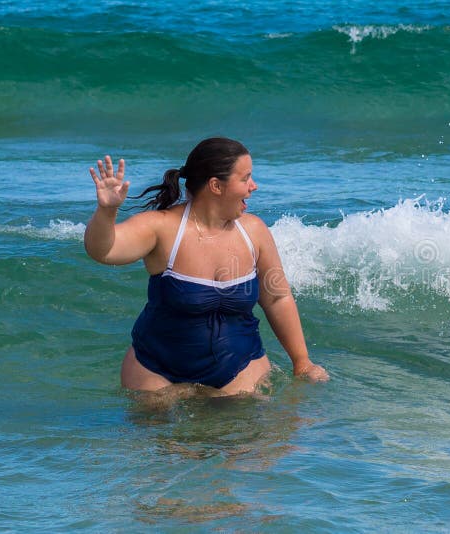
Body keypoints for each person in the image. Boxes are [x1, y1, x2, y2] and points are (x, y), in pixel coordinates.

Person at [84, 137, 328, 396]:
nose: (253, 186)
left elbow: (277, 297)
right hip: (156, 370)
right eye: (245, 178)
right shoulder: (163, 228)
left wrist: (302, 362)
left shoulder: (254, 231)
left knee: (261, 434)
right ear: (216, 186)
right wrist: (106, 211)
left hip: (240, 366)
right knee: (157, 433)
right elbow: (103, 251)